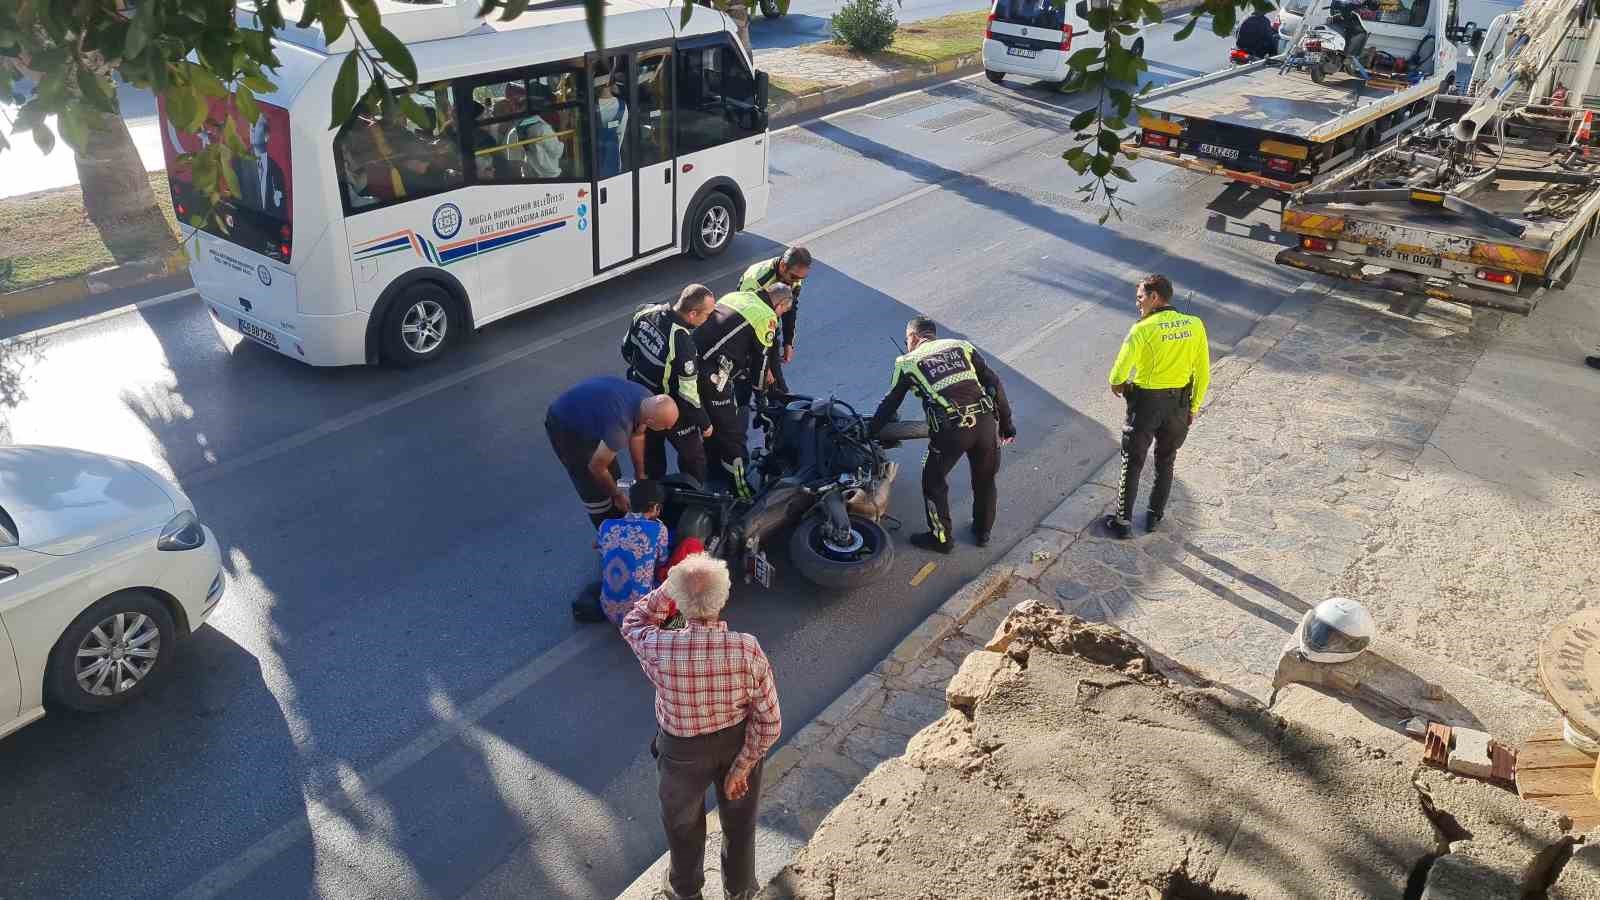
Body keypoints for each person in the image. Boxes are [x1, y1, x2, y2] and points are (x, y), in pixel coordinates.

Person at [621, 554, 781, 900]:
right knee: (739, 826)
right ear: (723, 598)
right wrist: (742, 766)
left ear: (678, 600)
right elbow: (769, 722)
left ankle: (686, 891)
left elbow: (634, 620)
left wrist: (673, 587)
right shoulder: (746, 648)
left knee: (682, 827)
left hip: (680, 752)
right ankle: (740, 891)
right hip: (737, 744)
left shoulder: (660, 646)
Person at [868, 317, 1015, 553]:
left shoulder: (907, 361)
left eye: (907, 339)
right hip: (986, 423)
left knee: (933, 481)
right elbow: (994, 383)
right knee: (985, 479)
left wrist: (870, 431)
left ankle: (941, 538)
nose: (907, 343)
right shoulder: (962, 346)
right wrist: (1007, 425)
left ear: (914, 337)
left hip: (952, 431)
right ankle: (982, 532)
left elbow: (890, 403)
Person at [1104, 274, 1211, 539]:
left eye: (1140, 297)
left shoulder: (1142, 329)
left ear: (1154, 297)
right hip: (1179, 406)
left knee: (1133, 460)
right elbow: (1203, 373)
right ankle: (1154, 517)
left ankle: (1122, 522)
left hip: (1146, 405)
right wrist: (1193, 407)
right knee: (1166, 460)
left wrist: (1122, 387)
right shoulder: (1195, 325)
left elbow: (1117, 375)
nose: (1138, 304)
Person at [693, 284, 795, 499]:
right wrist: (762, 401)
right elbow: (762, 364)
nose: (779, 317)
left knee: (712, 427)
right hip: (712, 375)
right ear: (779, 304)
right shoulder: (766, 316)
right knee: (733, 436)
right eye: (783, 312)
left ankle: (714, 473)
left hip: (691, 361)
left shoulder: (737, 295)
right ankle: (742, 493)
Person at [546, 376, 679, 530]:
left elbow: (638, 435)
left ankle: (619, 514)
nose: (668, 429)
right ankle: (606, 534)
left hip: (594, 413)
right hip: (567, 425)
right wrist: (616, 495)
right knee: (593, 485)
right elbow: (596, 467)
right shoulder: (620, 426)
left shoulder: (648, 398)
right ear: (650, 422)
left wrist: (640, 473)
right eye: (665, 426)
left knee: (613, 478)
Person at [623, 284, 719, 483]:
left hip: (639, 401)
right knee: (694, 457)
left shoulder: (645, 311)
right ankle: (695, 498)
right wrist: (705, 423)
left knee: (651, 457)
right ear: (692, 313)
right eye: (707, 314)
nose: (708, 319)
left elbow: (626, 350)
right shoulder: (682, 342)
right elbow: (688, 395)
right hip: (669, 406)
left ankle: (654, 499)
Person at [738, 246, 812, 397]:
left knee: (776, 387)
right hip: (745, 330)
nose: (796, 282)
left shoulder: (794, 277)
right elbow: (748, 327)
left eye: (801, 279)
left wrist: (788, 342)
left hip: (767, 325)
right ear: (783, 266)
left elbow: (790, 309)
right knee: (752, 387)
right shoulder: (757, 279)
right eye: (794, 278)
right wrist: (764, 368)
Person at [595, 480, 671, 626]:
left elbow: (600, 548)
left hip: (609, 612)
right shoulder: (659, 529)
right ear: (656, 507)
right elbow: (662, 561)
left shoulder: (606, 525)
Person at [234, 115, 287, 215]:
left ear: (266, 136)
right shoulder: (239, 163)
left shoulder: (276, 171)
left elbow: (282, 211)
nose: (252, 129)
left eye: (256, 125)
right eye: (251, 125)